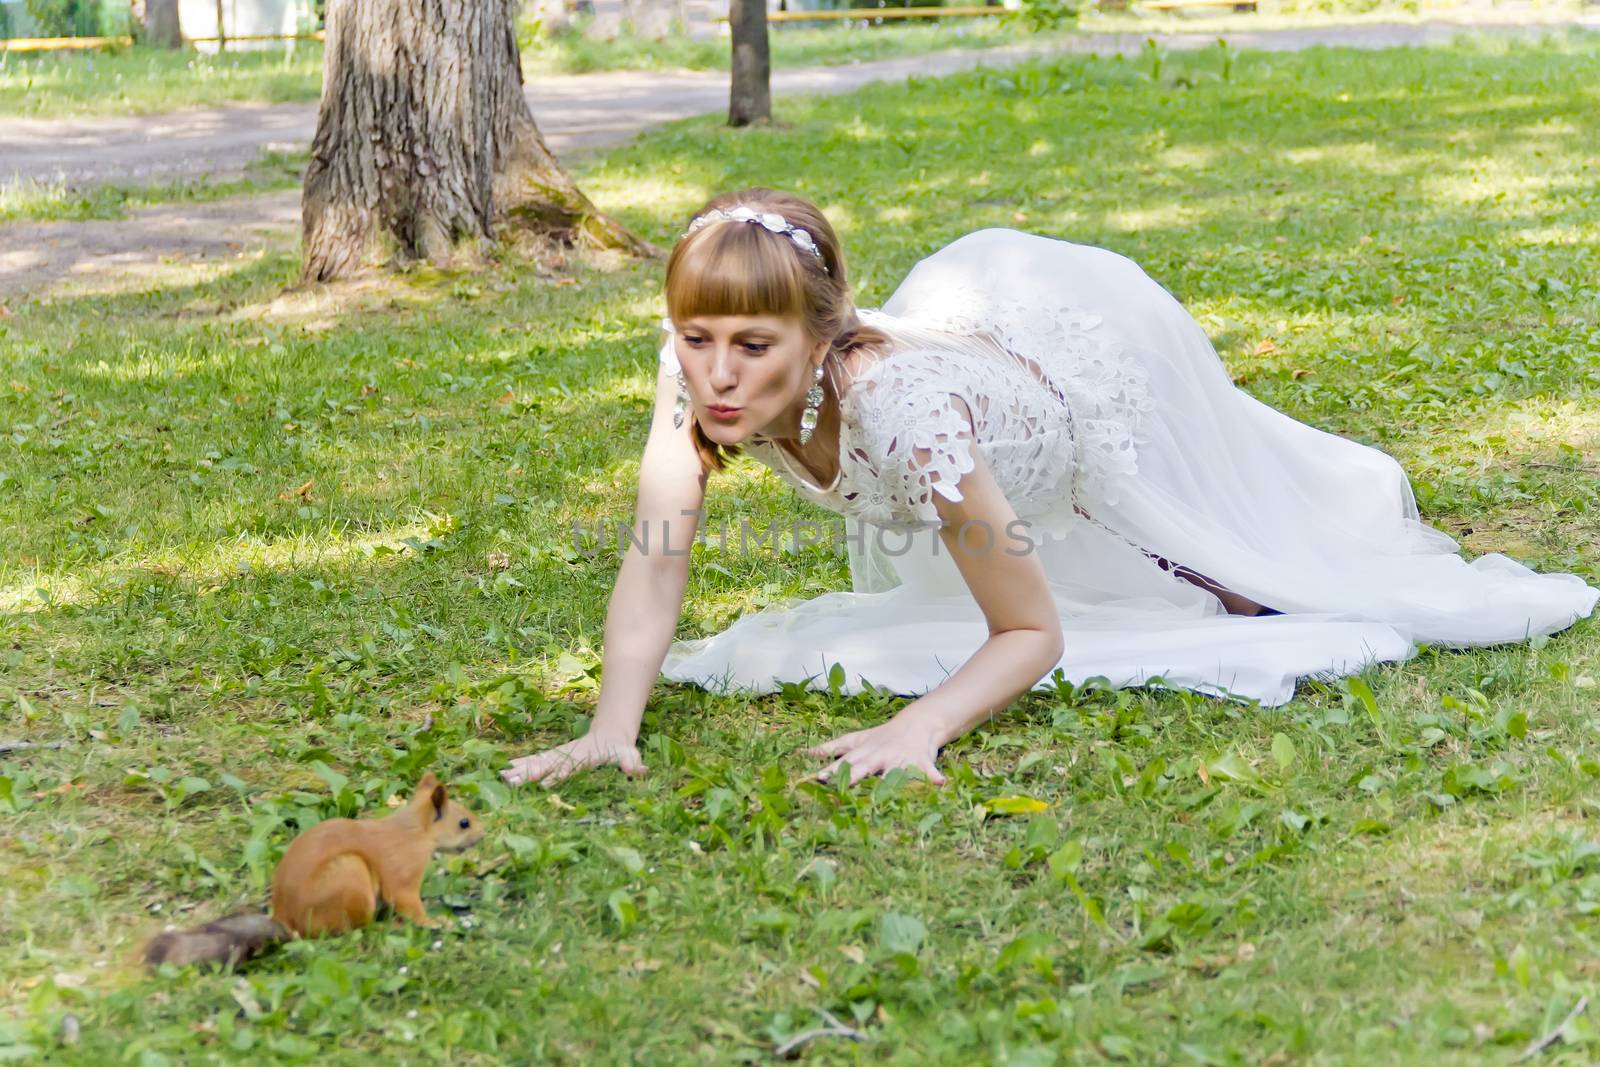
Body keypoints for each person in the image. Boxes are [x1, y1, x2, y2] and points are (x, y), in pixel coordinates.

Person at [501, 188, 1598, 789]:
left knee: (1251, 577)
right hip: (975, 380)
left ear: (820, 330)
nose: (720, 374)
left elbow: (1028, 629)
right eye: (699, 338)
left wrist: (918, 725)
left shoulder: (901, 408)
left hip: (1080, 388)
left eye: (753, 342)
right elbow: (654, 557)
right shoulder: (690, 378)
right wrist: (610, 726)